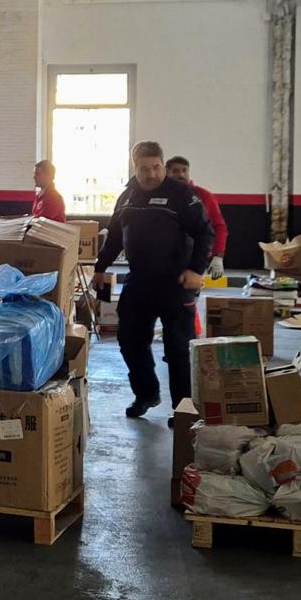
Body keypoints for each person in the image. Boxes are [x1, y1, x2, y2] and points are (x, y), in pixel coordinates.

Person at [91, 141, 213, 424]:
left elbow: (205, 233)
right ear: (135, 167)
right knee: (129, 340)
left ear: (163, 164)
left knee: (179, 348)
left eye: (156, 167)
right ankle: (146, 394)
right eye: (145, 169)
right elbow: (116, 237)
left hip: (176, 282)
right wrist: (100, 267)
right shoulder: (127, 196)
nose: (151, 174)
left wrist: (197, 269)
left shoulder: (182, 194)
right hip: (140, 281)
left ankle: (183, 408)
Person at [165, 156, 227, 280]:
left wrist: (218, 256)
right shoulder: (159, 195)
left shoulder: (204, 196)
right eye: (176, 171)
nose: (181, 175)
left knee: (187, 298)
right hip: (163, 259)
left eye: (184, 170)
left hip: (193, 260)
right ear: (166, 172)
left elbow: (219, 227)